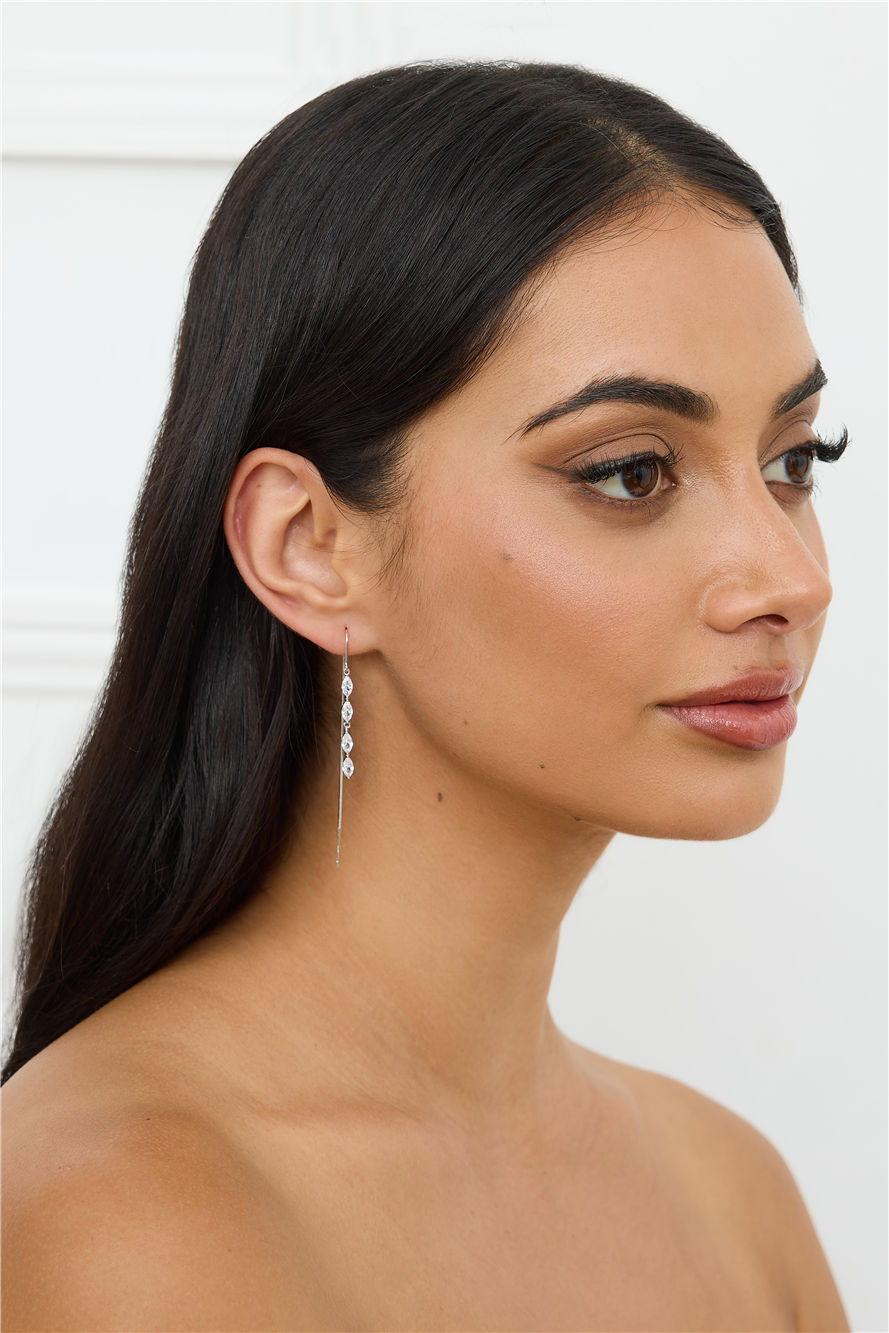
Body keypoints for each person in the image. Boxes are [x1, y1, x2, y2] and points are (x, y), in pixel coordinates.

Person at [1, 60, 851, 1331]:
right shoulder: (116, 1222)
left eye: (792, 461)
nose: (790, 578)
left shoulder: (732, 1192)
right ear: (308, 547)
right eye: (630, 472)